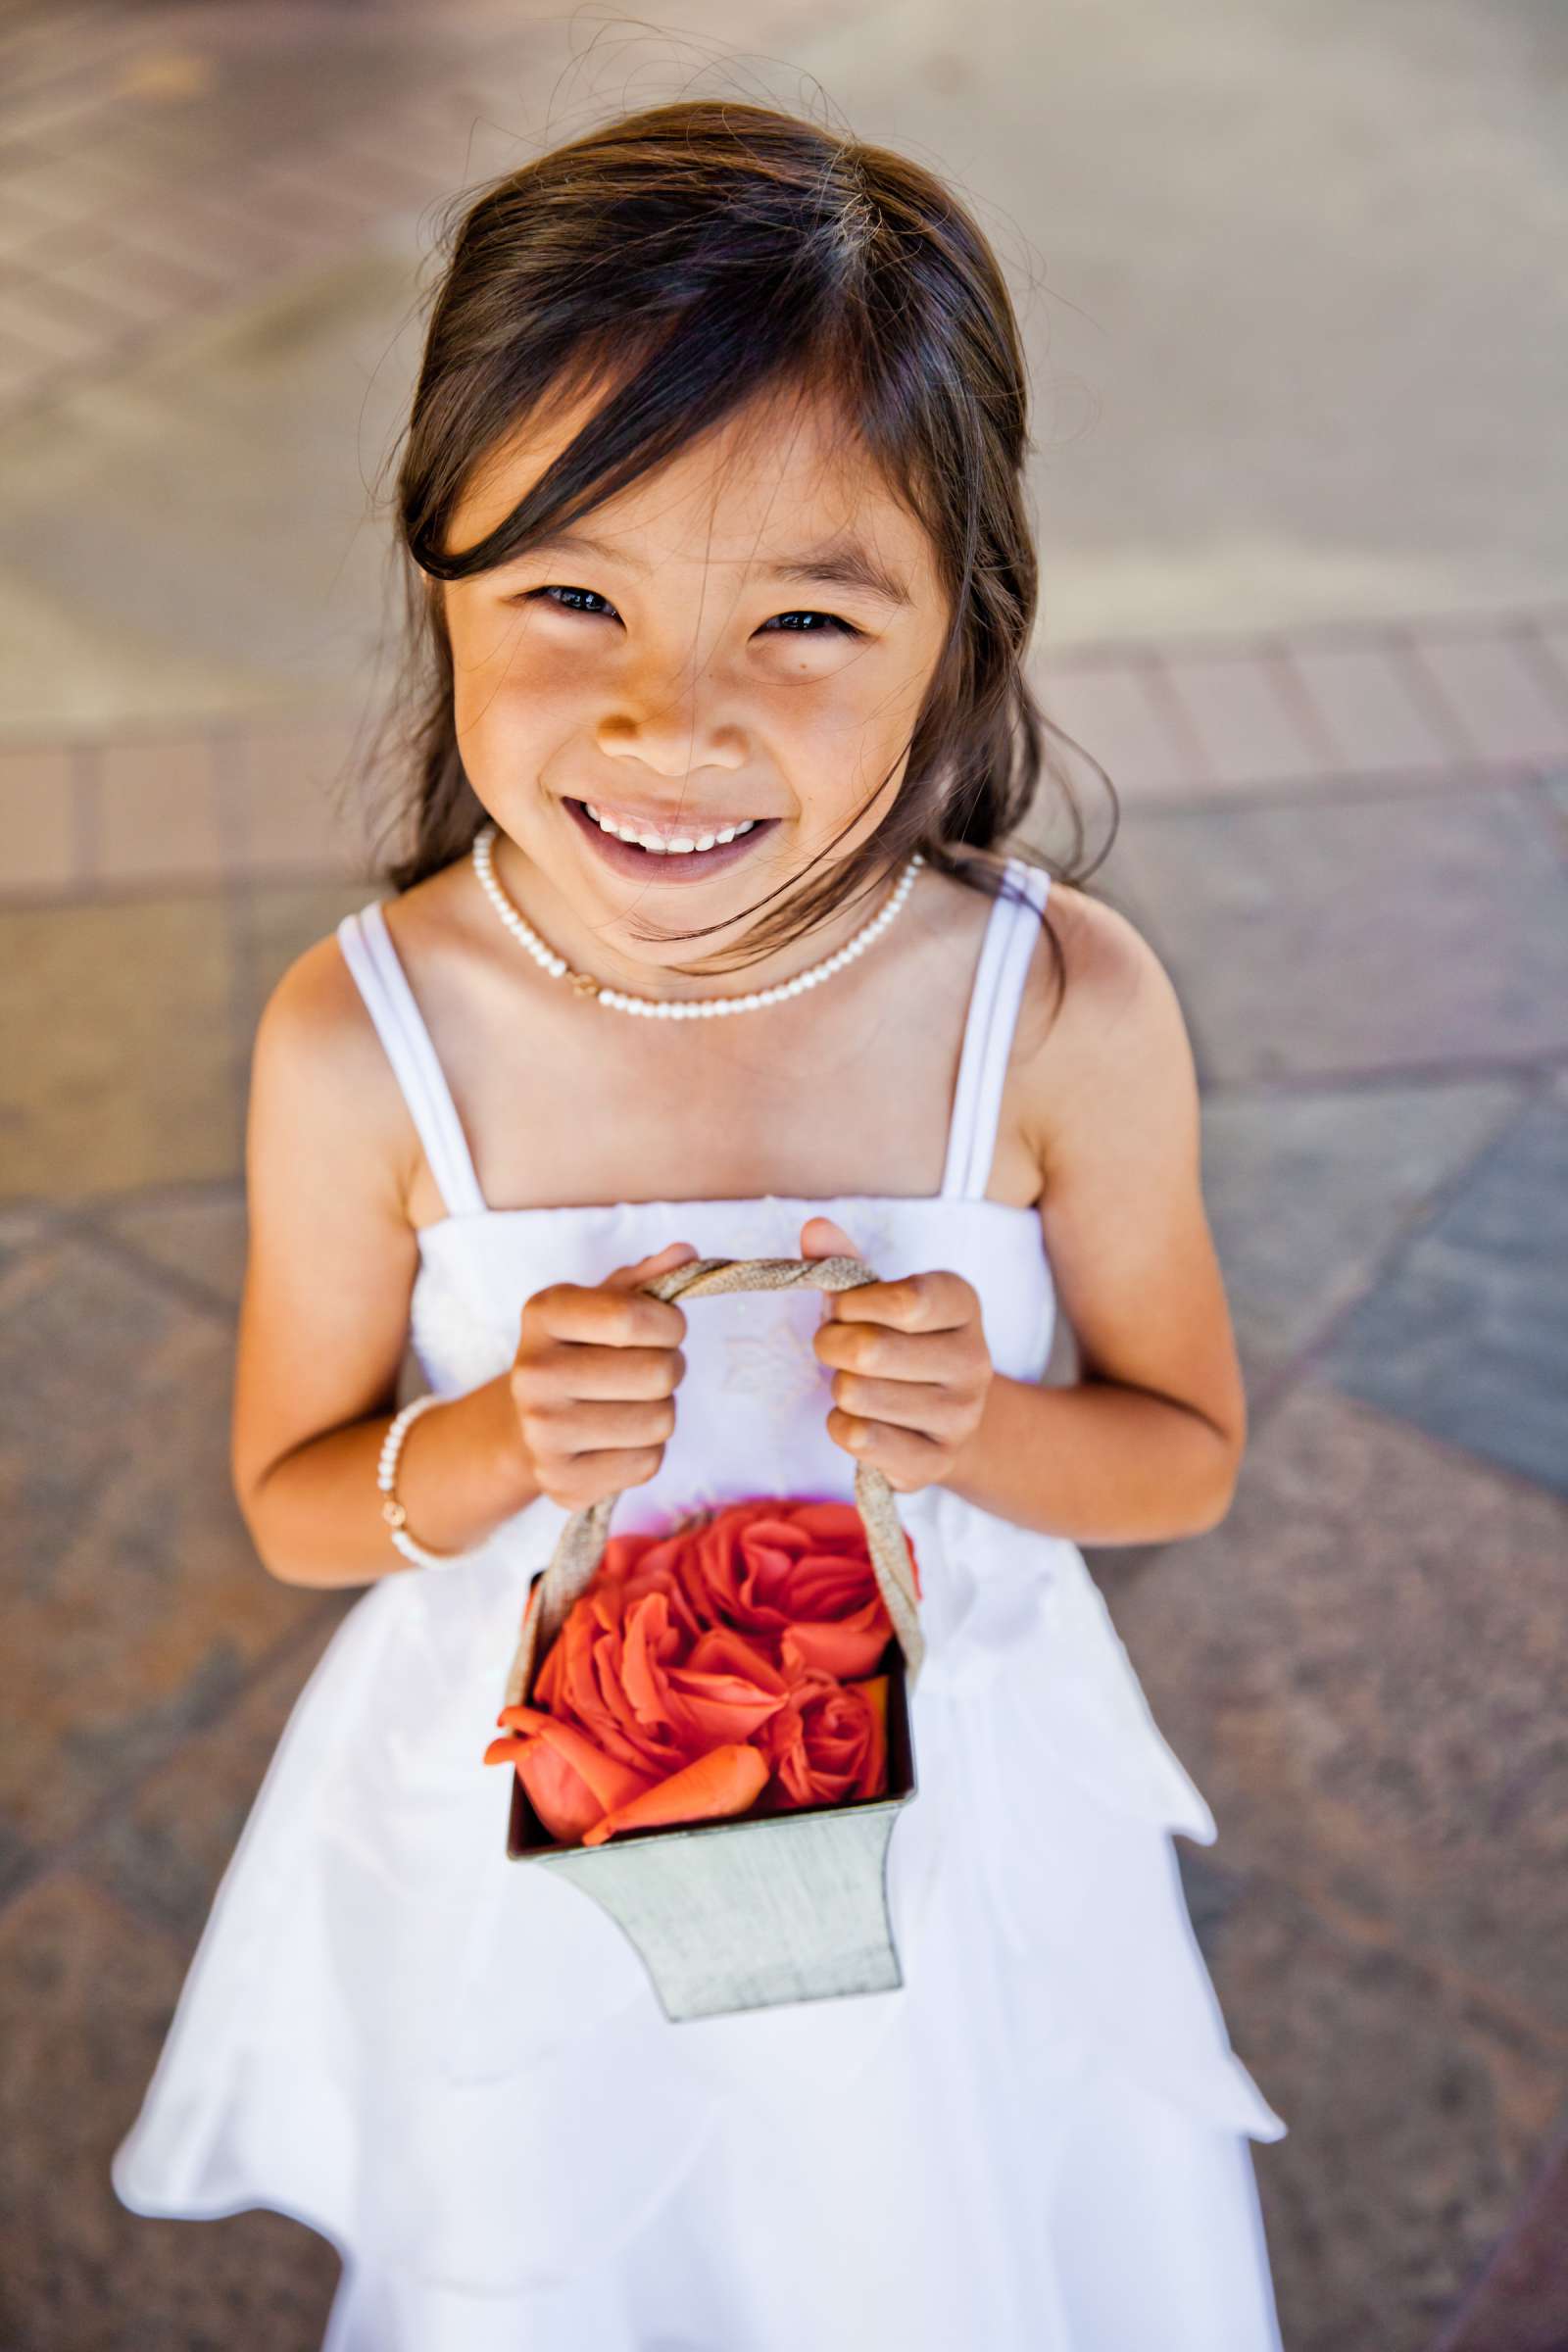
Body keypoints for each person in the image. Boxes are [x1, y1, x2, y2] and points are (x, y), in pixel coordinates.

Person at [111, 96, 1289, 2350]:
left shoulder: (1047, 1010)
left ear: (962, 626)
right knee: (577, 2241)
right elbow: (292, 1500)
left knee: (922, 2222)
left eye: (810, 618)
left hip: (948, 1810)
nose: (672, 720)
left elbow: (1182, 1447)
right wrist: (496, 1451)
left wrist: (981, 1428)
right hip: (526, 1820)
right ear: (434, 566)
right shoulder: (367, 1042)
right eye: (570, 592)